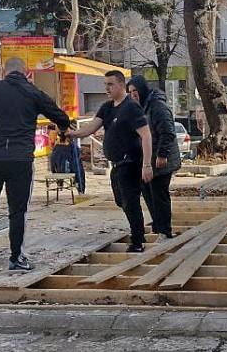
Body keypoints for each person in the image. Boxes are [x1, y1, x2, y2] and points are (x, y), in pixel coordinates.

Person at [0, 57, 71, 273]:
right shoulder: (33, 92)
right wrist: (63, 129)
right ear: (25, 72)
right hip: (20, 159)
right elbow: (61, 117)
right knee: (18, 211)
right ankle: (16, 259)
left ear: (4, 71)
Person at [68, 70, 153, 252]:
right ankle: (138, 234)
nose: (106, 88)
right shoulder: (107, 107)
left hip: (130, 163)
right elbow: (91, 127)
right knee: (121, 201)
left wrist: (147, 165)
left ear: (121, 85)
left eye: (110, 84)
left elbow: (146, 135)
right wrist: (73, 133)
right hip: (116, 165)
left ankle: (138, 241)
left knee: (130, 202)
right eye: (105, 84)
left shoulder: (131, 107)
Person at [128, 75, 181, 241]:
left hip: (161, 160)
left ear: (142, 90)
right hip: (149, 160)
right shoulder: (142, 107)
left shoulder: (157, 107)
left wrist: (162, 154)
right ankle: (159, 227)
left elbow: (168, 132)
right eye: (130, 92)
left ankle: (165, 231)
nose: (133, 94)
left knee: (159, 194)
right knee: (148, 192)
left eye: (135, 91)